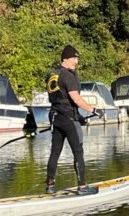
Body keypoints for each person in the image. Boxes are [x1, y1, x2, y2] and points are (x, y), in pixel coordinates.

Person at [45, 45, 104, 194]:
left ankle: (50, 186)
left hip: (56, 118)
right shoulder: (68, 76)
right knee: (78, 152)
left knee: (55, 153)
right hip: (68, 119)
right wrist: (94, 110)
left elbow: (62, 100)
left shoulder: (52, 74)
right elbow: (76, 99)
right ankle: (82, 187)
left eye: (77, 59)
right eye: (74, 58)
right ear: (65, 59)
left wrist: (79, 117)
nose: (76, 62)